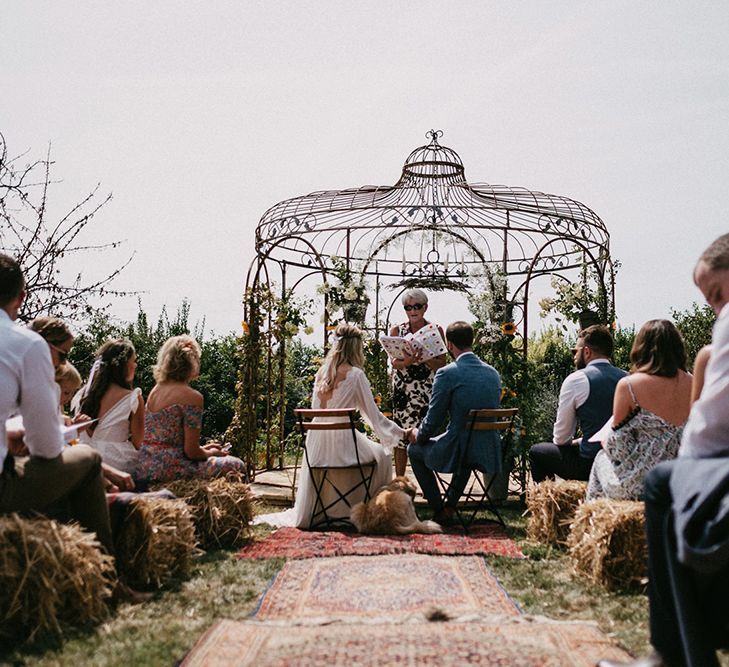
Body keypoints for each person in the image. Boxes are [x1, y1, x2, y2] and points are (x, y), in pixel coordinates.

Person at [598, 233, 729, 667]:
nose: (716, 308)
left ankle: (667, 651)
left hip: (662, 470)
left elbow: (620, 436)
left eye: (717, 295)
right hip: (686, 456)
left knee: (616, 465)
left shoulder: (630, 384)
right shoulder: (692, 375)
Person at [0, 254, 114, 568]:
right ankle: (103, 576)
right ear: (21, 298)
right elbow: (48, 448)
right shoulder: (26, 344)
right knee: (88, 460)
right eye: (63, 357)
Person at [257, 323, 406, 528]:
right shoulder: (355, 375)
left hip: (316, 448)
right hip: (343, 446)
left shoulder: (321, 373)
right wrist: (401, 433)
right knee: (383, 456)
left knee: (374, 452)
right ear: (356, 348)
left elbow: (315, 409)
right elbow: (373, 417)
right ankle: (362, 513)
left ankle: (332, 509)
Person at [407, 321, 501, 524]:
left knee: (413, 450)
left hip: (460, 448)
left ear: (449, 345)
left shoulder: (447, 373)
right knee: (464, 448)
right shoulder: (493, 373)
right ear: (472, 341)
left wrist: (418, 435)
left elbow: (434, 419)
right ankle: (450, 505)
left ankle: (439, 508)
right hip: (488, 447)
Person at [586, 320, 692, 501]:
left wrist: (606, 441)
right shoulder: (694, 383)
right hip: (682, 482)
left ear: (641, 347)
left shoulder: (629, 385)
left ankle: (592, 526)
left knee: (600, 459)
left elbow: (619, 448)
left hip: (640, 486)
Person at [134, 335, 246, 485]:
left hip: (146, 465)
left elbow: (168, 441)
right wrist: (212, 452)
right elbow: (191, 452)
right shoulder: (193, 397)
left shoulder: (156, 390)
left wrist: (204, 448)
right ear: (192, 363)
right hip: (170, 468)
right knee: (237, 465)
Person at [529, 325, 627, 483]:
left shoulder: (577, 379)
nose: (574, 356)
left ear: (587, 351)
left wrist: (578, 441)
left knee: (538, 452)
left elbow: (561, 438)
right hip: (620, 462)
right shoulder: (628, 378)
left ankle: (550, 505)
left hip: (590, 463)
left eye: (576, 351)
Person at [390, 289, 447, 476]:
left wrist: (424, 358)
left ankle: (427, 480)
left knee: (426, 435)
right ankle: (399, 480)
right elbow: (394, 363)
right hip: (403, 390)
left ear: (425, 307)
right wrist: (408, 361)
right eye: (408, 307)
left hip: (427, 390)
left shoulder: (435, 330)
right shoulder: (397, 330)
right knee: (401, 436)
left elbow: (442, 364)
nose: (413, 311)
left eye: (417, 306)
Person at [75, 339, 145, 475]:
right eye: (133, 361)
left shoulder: (83, 394)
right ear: (124, 366)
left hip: (82, 458)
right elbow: (139, 443)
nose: (135, 365)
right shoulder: (133, 397)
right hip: (115, 464)